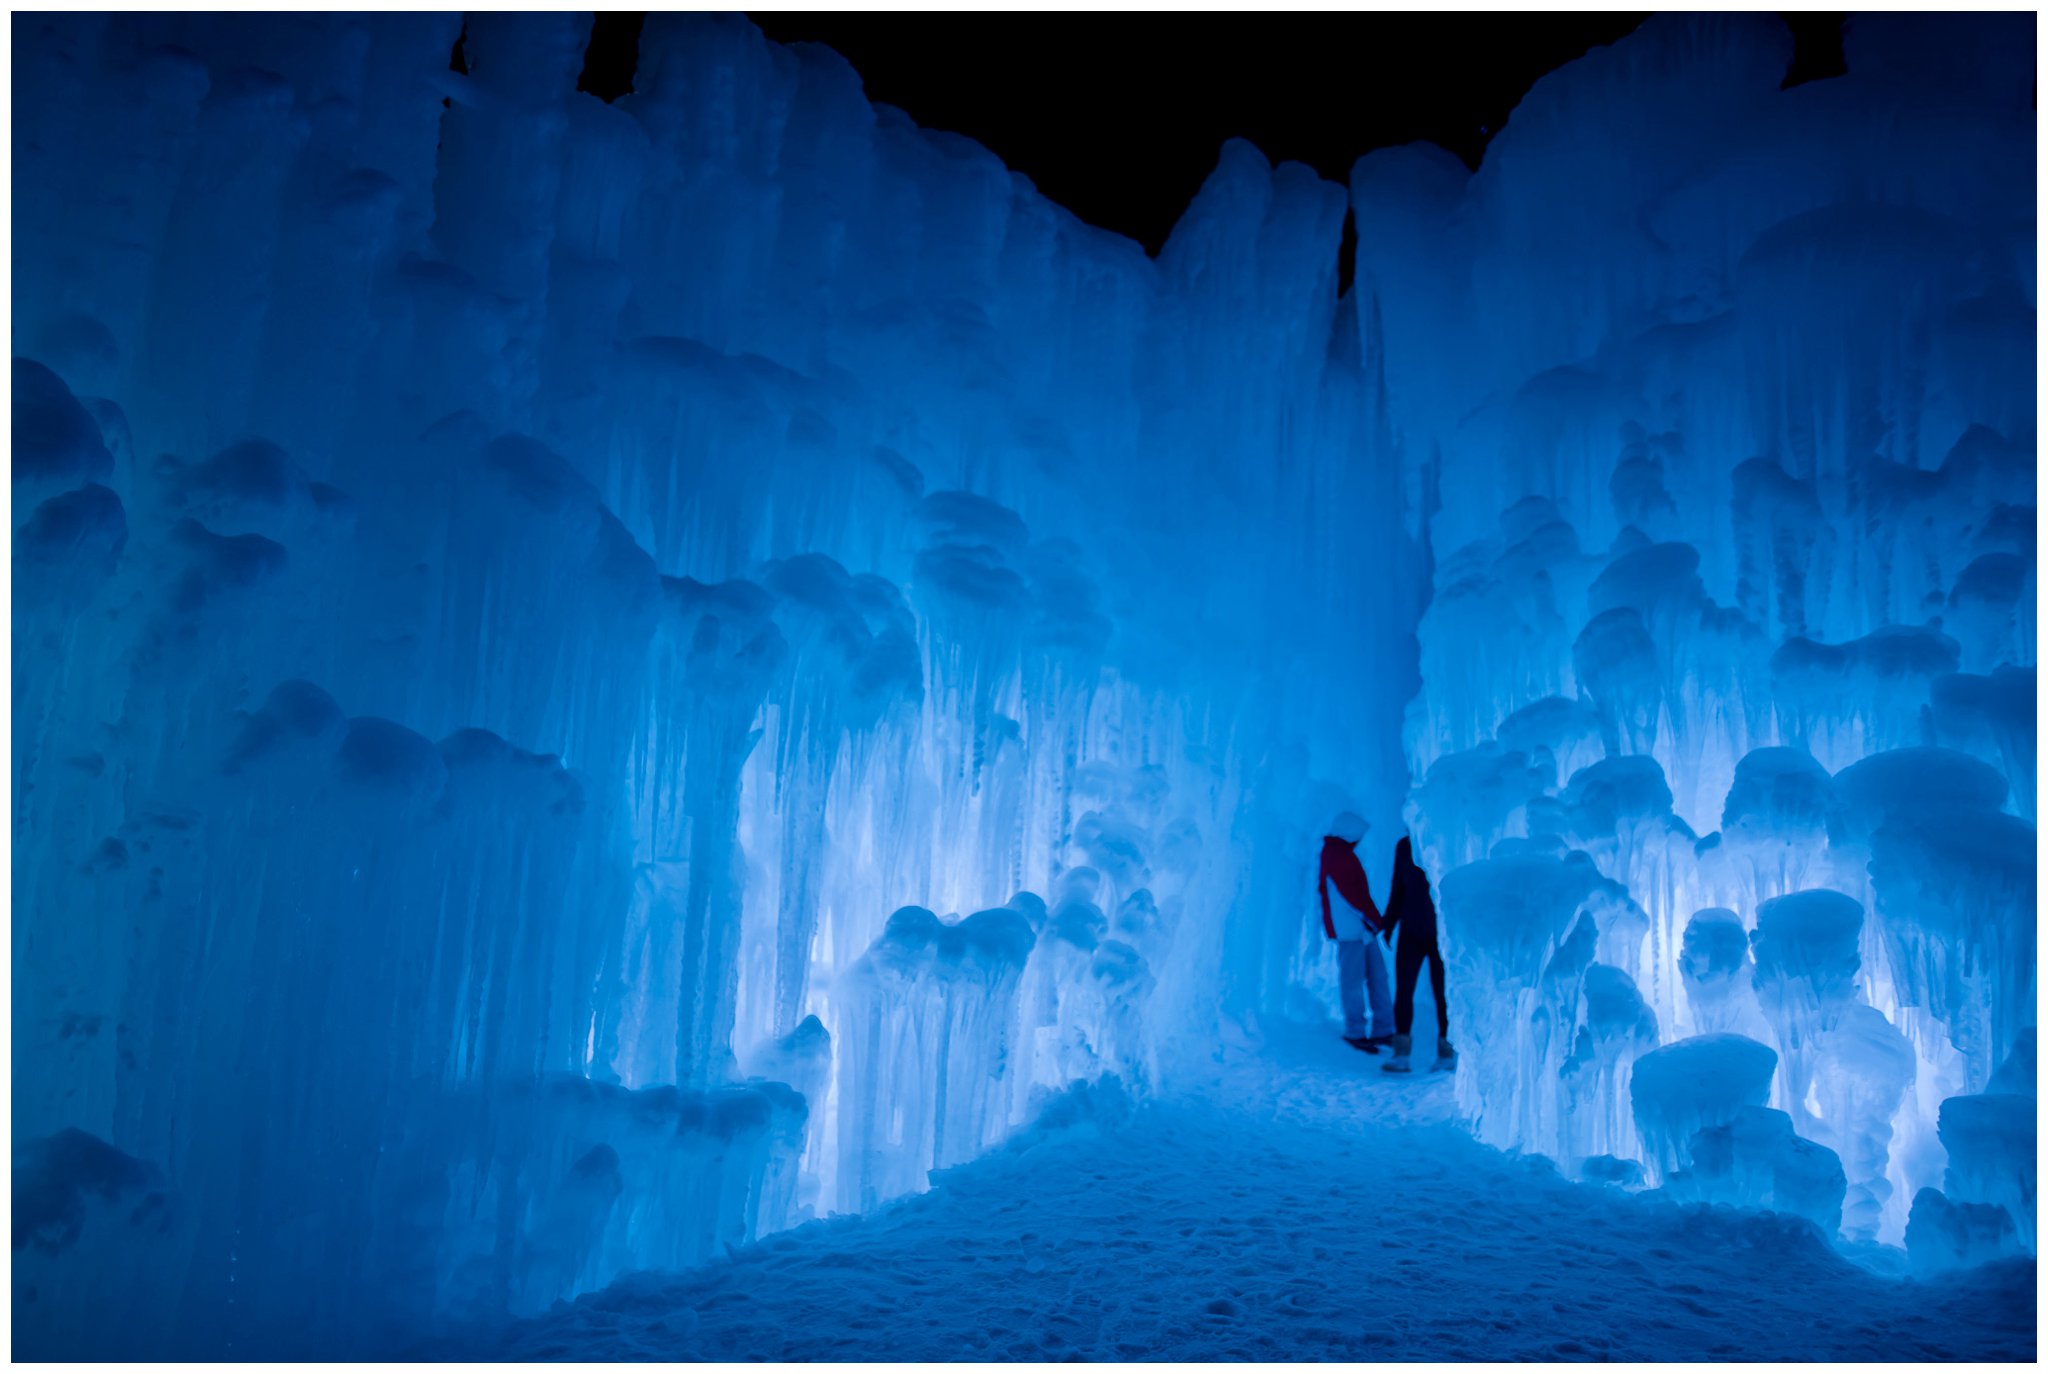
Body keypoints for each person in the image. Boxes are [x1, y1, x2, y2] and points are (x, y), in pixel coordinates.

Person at [1316, 812, 1393, 1052]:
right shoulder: (1337, 855)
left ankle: (1382, 1029)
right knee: (1354, 981)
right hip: (1351, 930)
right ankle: (1355, 1030)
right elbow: (1351, 896)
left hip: (1359, 929)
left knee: (1376, 977)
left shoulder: (1340, 854)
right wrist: (1373, 920)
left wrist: (1370, 923)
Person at [1381, 834, 1455, 1073]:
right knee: (1404, 990)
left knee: (1443, 992)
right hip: (1410, 932)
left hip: (1439, 935)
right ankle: (1401, 1052)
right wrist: (1389, 923)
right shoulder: (1403, 845)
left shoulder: (1443, 835)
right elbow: (1398, 887)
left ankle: (1446, 1051)